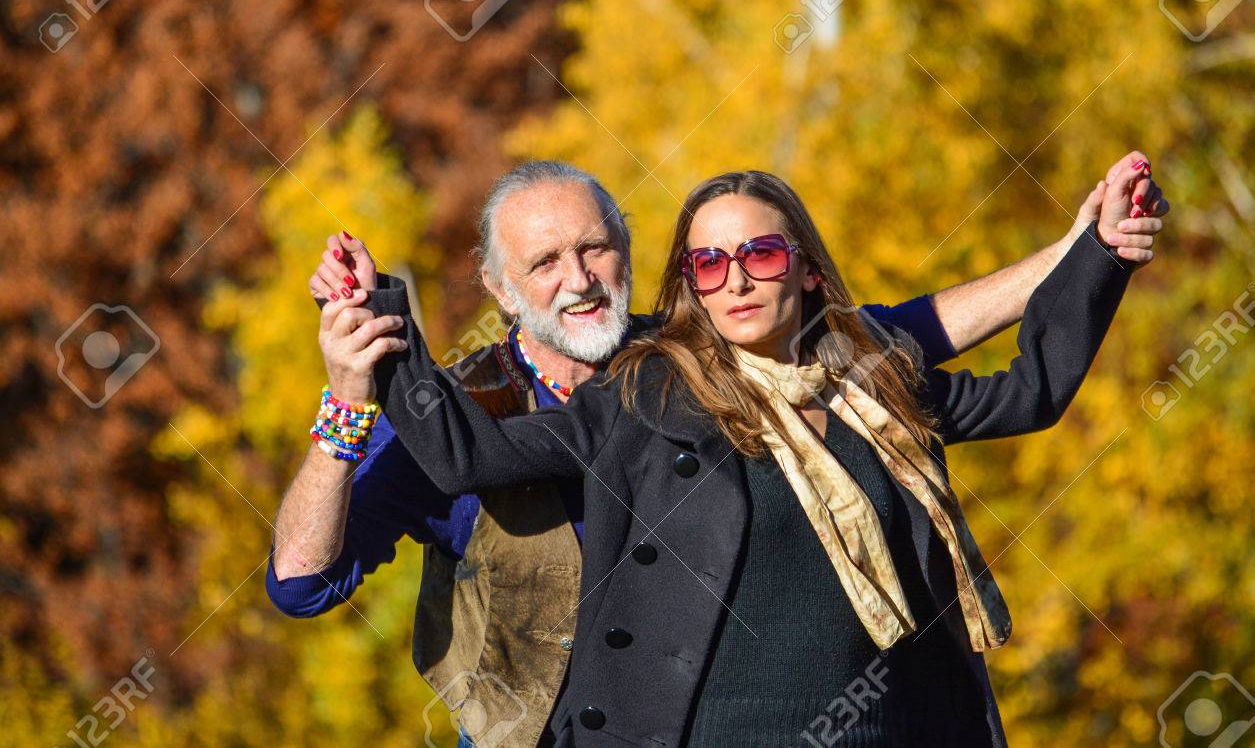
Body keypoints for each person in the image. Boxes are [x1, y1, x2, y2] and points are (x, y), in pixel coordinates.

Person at [314, 159, 1155, 747]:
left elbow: (1030, 390)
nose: (737, 280)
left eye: (758, 254)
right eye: (710, 264)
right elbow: (469, 457)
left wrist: (1096, 253)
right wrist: (383, 322)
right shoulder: (644, 396)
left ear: (808, 272)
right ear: (689, 283)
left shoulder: (874, 385)